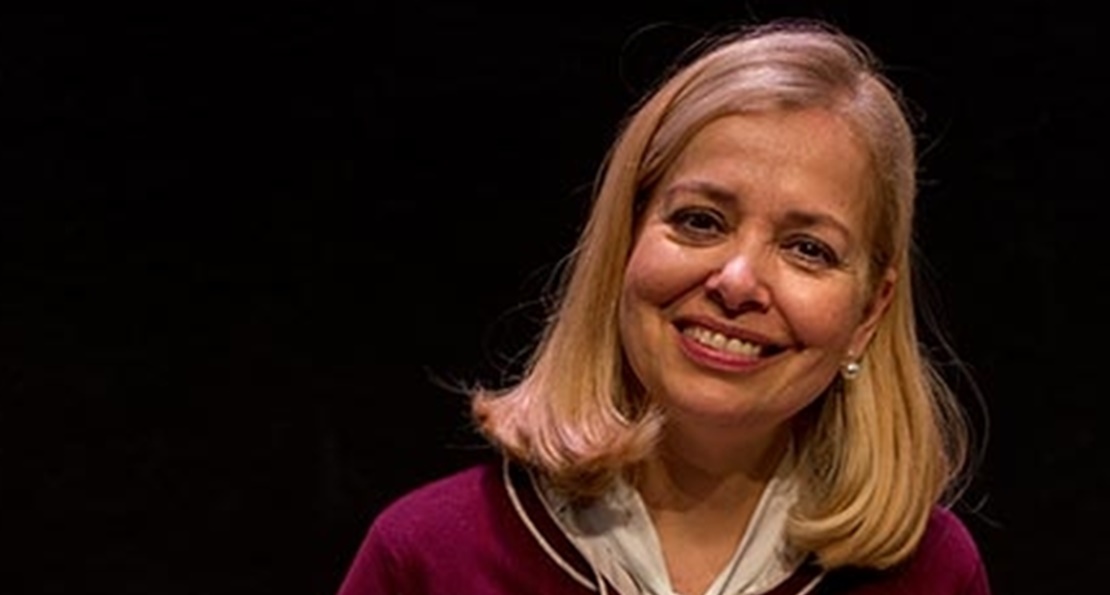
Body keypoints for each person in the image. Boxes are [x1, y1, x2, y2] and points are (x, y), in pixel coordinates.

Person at [337, 18, 990, 595]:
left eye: (807, 249)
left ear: (870, 313)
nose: (737, 281)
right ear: (624, 242)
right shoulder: (427, 557)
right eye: (701, 220)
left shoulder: (932, 574)